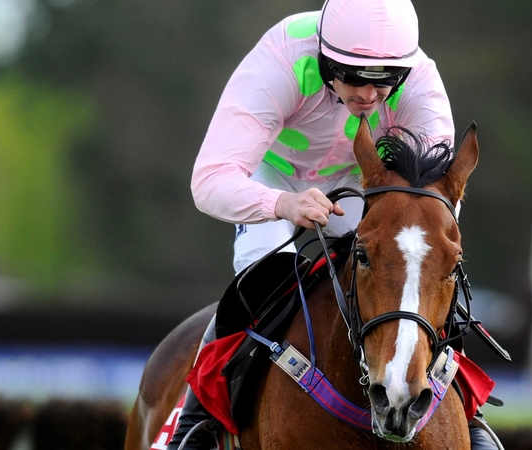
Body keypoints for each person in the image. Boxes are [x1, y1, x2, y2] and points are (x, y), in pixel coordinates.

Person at [169, 0, 502, 449]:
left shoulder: (421, 81)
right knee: (260, 282)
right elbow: (209, 181)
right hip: (273, 175)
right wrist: (282, 203)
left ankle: (468, 414)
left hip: (365, 183)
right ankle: (196, 425)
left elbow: (436, 200)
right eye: (352, 78)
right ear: (326, 58)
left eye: (383, 83)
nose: (367, 95)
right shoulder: (283, 60)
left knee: (419, 275)